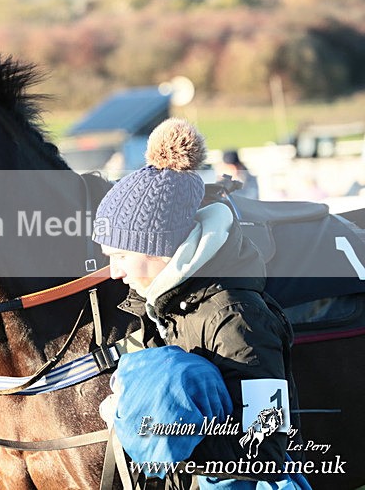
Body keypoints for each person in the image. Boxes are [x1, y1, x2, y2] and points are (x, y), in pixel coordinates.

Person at [92, 119, 307, 489]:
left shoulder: (238, 319)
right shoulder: (161, 303)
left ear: (158, 248)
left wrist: (162, 443)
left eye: (121, 255)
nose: (113, 272)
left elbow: (267, 447)